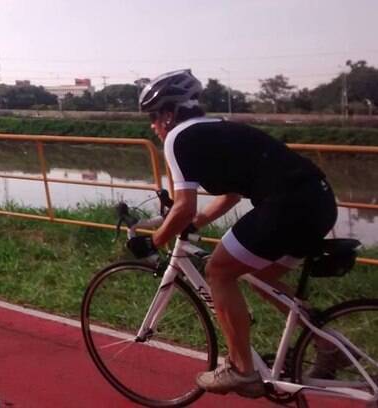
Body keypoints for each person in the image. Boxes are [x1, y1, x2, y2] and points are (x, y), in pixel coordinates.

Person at [128, 69, 337, 398]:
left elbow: (182, 206)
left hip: (288, 206)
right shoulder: (217, 127)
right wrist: (197, 224)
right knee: (264, 277)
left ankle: (242, 371)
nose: (152, 125)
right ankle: (327, 345)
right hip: (318, 200)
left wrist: (153, 241)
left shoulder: (178, 137)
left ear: (168, 114)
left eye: (153, 117)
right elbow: (232, 194)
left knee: (219, 272)